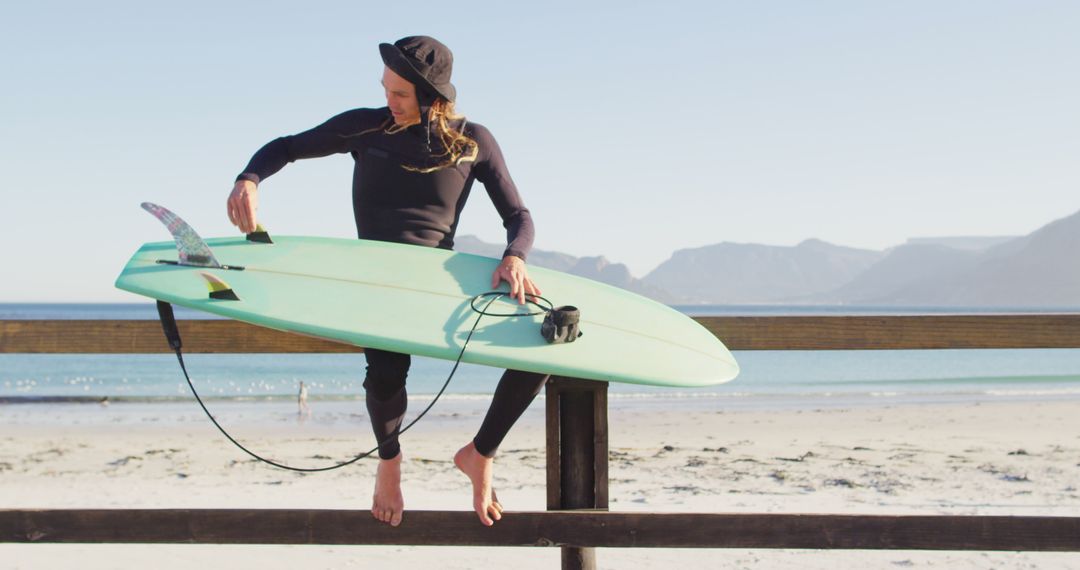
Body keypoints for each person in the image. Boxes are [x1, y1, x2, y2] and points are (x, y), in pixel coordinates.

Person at [226, 36, 548, 528]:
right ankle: (390, 462)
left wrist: (515, 257)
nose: (389, 102)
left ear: (430, 95)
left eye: (399, 94)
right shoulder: (367, 127)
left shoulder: (471, 140)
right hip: (375, 282)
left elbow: (519, 215)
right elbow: (287, 147)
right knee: (384, 372)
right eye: (386, 90)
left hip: (436, 280)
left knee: (541, 346)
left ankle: (480, 453)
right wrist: (249, 178)